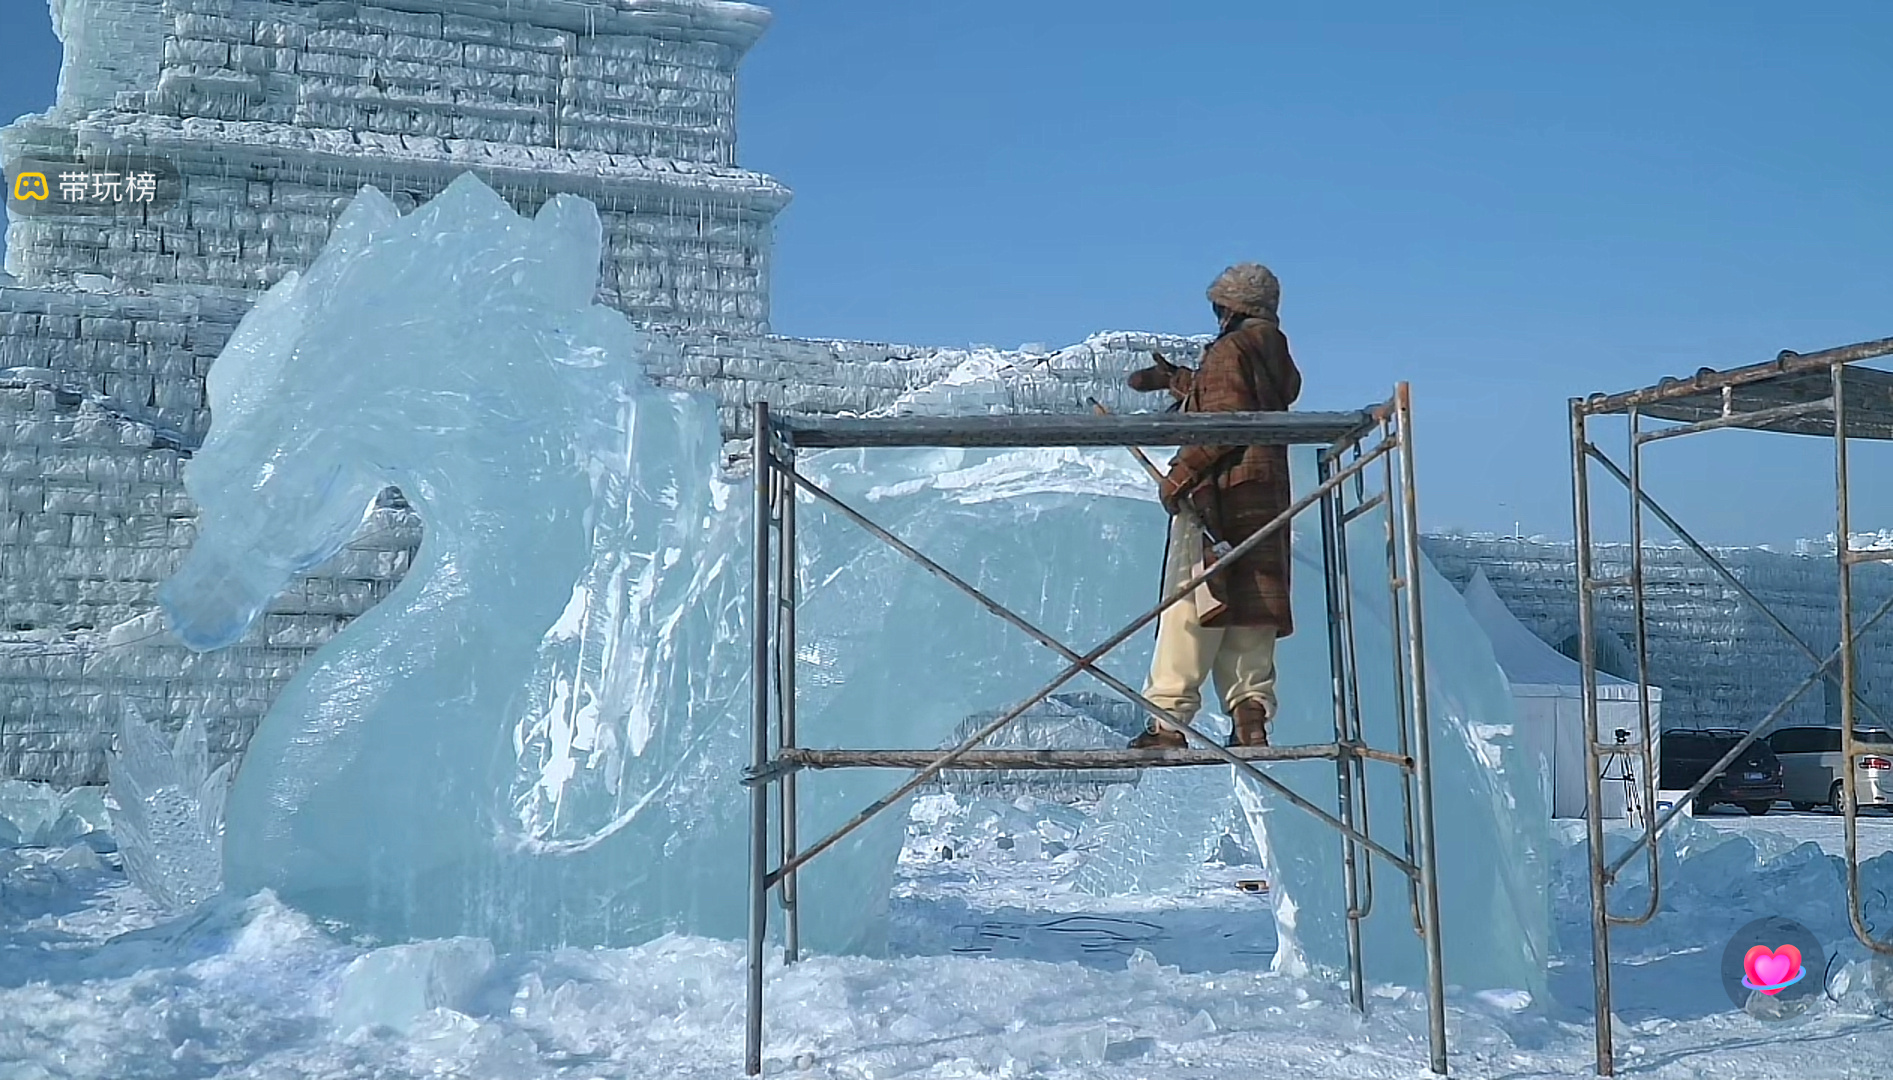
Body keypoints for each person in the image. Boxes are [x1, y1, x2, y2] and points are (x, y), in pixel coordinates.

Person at [1126, 263, 1301, 749]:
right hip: (1264, 497)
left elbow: (1225, 419)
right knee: (1251, 608)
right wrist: (1180, 381)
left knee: (1192, 602)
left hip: (1220, 494)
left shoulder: (1229, 350)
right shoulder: (1270, 354)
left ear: (1233, 306)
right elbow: (1238, 396)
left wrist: (1182, 475)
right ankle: (1251, 720)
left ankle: (1168, 722)